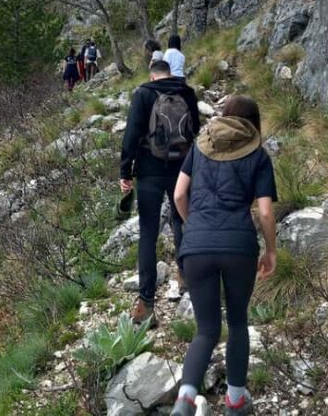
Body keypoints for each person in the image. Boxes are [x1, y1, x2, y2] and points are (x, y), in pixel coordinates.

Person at [169, 95, 277, 416]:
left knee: (206, 329)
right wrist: (271, 250)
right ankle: (235, 401)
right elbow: (266, 212)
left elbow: (178, 194)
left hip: (196, 247)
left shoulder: (200, 147)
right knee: (238, 321)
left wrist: (196, 228)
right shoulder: (258, 156)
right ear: (254, 125)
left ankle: (186, 399)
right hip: (239, 247)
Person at [120, 60, 200, 326]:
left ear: (152, 75)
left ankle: (146, 303)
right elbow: (196, 130)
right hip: (182, 170)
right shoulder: (186, 93)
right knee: (181, 221)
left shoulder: (143, 93)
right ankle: (185, 277)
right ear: (170, 73)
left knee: (148, 232)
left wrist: (125, 172)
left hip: (149, 172)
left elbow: (131, 134)